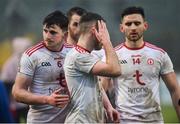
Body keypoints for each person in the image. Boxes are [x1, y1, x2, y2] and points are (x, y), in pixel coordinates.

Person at [101, 6, 180, 123]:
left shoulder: (159, 55)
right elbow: (102, 90)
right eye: (128, 24)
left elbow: (174, 90)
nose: (133, 27)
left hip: (154, 120)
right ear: (122, 28)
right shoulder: (112, 56)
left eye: (137, 23)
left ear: (145, 26)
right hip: (124, 121)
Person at [12, 10, 73, 123]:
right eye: (45, 31)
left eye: (53, 32)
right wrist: (47, 99)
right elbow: (17, 92)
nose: (47, 36)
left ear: (65, 34)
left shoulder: (73, 52)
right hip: (41, 121)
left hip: (68, 120)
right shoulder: (32, 55)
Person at [64, 12, 121, 123]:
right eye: (104, 31)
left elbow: (97, 84)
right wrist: (106, 41)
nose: (105, 34)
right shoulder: (78, 56)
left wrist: (108, 106)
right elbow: (115, 70)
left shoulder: (84, 54)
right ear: (95, 31)